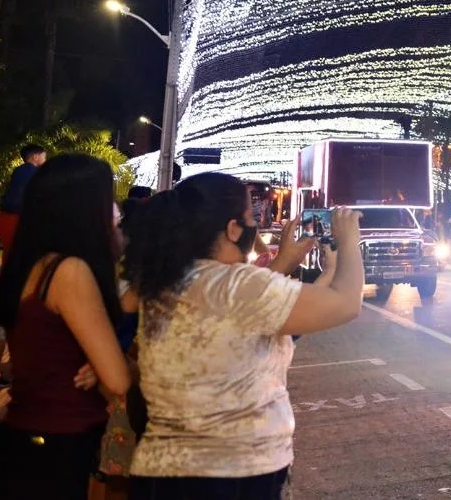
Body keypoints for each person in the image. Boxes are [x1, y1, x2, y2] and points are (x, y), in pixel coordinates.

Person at [122, 172, 364, 499]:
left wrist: (317, 267)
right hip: (236, 473)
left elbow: (286, 319)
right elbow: (347, 304)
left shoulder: (164, 281)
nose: (253, 224)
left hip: (161, 470)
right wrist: (349, 239)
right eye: (251, 216)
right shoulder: (238, 285)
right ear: (233, 228)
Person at [0, 154, 131, 500]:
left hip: (19, 446)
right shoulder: (68, 272)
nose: (114, 213)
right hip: (54, 454)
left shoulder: (24, 266)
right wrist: (106, 364)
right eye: (106, 201)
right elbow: (118, 379)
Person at [0, 143, 47, 390]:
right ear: (34, 157)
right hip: (26, 277)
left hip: (7, 272)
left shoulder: (4, 216)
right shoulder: (29, 218)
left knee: (2, 327)